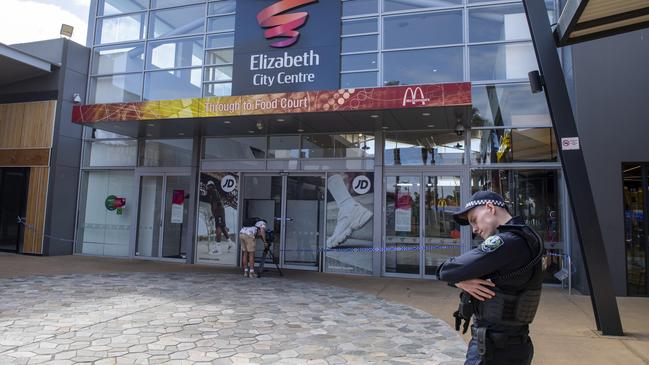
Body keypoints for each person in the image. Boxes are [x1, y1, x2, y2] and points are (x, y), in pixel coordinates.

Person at [437, 191, 544, 365]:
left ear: (489, 208)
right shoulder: (527, 236)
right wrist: (462, 281)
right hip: (514, 344)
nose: (474, 229)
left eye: (474, 220)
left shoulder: (506, 242)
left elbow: (448, 270)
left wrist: (458, 279)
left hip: (492, 350)